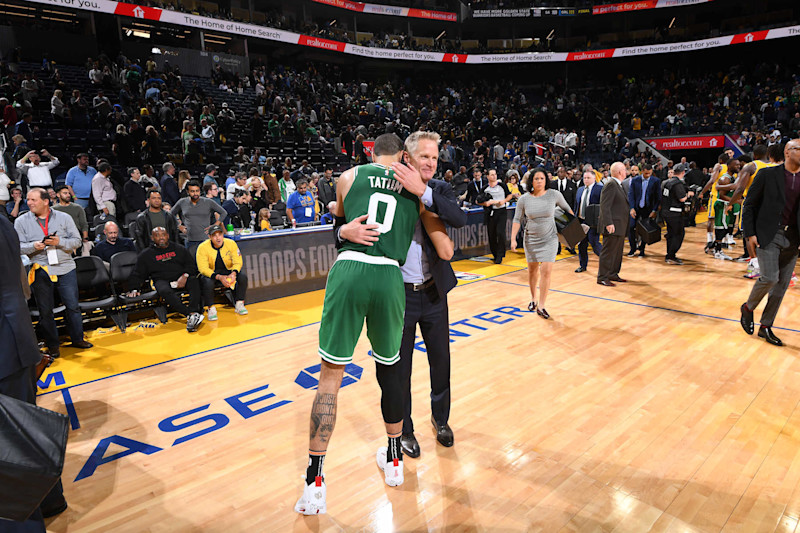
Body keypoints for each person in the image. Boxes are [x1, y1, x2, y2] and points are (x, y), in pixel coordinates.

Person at [295, 133, 451, 515]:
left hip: (351, 269)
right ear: (402, 156)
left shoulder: (347, 177)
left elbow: (341, 219)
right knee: (390, 370)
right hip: (390, 277)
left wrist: (341, 230)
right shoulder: (415, 190)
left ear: (371, 152)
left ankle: (314, 484)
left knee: (330, 377)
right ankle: (395, 460)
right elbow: (444, 235)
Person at [368, 131, 466, 459]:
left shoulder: (438, 190)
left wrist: (423, 192)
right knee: (401, 368)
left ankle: (441, 419)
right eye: (425, 156)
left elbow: (458, 218)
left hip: (434, 292)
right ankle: (405, 429)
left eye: (435, 157)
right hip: (399, 297)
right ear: (407, 158)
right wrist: (342, 230)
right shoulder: (384, 190)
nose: (431, 163)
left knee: (441, 362)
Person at [0, 215, 68, 531]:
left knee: (12, 440)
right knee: (24, 428)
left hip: (7, 346)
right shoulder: (4, 221)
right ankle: (50, 500)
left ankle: (27, 523)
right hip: (13, 340)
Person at [15, 188, 92, 357]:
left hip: (65, 267)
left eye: (33, 200)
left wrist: (60, 242)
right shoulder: (21, 221)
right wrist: (33, 246)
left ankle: (78, 338)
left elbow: (77, 241)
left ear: (45, 201)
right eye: (28, 199)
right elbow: (17, 246)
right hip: (40, 268)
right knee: (45, 311)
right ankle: (53, 346)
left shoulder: (64, 217)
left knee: (72, 306)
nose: (29, 203)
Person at [740, 139, 800, 347]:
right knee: (770, 277)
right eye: (799, 148)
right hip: (769, 233)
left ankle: (765, 326)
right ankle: (748, 308)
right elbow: (749, 205)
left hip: (794, 237)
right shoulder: (767, 174)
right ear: (788, 152)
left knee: (782, 285)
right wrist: (750, 234)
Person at [510, 169, 573, 319]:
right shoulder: (524, 199)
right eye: (536, 178)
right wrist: (513, 239)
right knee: (532, 271)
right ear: (531, 181)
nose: (539, 181)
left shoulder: (554, 195)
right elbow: (517, 219)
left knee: (546, 270)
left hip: (550, 238)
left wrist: (574, 229)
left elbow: (568, 210)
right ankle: (533, 298)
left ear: (546, 180)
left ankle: (542, 305)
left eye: (542, 178)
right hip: (531, 239)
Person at [125, 227, 204, 332]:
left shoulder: (179, 248)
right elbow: (137, 273)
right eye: (157, 235)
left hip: (181, 276)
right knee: (163, 290)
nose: (161, 237)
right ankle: (190, 314)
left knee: (194, 280)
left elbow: (191, 265)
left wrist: (185, 276)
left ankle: (194, 311)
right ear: (152, 238)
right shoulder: (146, 255)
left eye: (163, 234)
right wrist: (134, 288)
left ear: (168, 236)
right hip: (162, 280)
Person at [196, 223, 249, 320]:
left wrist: (233, 273)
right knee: (207, 282)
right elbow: (202, 268)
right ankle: (211, 308)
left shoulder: (231, 243)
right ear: (209, 237)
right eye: (214, 235)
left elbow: (238, 261)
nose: (218, 238)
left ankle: (239, 304)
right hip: (212, 273)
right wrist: (219, 277)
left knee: (243, 276)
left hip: (228, 271)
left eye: (220, 234)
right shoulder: (202, 247)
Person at [597, 162, 630, 286]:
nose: (626, 172)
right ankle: (602, 277)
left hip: (620, 225)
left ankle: (612, 274)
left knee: (617, 253)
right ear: (620, 172)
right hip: (613, 225)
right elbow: (605, 206)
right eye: (624, 170)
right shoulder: (611, 184)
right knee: (608, 252)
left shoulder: (618, 185)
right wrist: (609, 223)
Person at [171, 180, 227, 252]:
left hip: (206, 240)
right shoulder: (182, 202)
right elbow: (171, 214)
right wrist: (179, 226)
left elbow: (223, 213)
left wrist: (215, 225)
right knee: (191, 259)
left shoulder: (208, 202)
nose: (195, 193)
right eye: (192, 191)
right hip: (190, 240)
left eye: (197, 191)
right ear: (188, 192)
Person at [661, 163, 696, 265]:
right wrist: (688, 194)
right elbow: (682, 198)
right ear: (683, 172)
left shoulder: (665, 182)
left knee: (670, 234)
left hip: (665, 211)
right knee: (678, 234)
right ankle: (671, 255)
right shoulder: (677, 184)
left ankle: (669, 255)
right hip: (674, 212)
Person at [479, 169, 513, 264]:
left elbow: (509, 195)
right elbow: (478, 200)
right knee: (491, 234)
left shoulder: (502, 185)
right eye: (492, 175)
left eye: (495, 174)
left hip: (501, 211)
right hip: (490, 212)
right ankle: (495, 254)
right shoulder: (485, 188)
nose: (494, 176)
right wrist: (485, 203)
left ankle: (500, 254)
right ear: (488, 177)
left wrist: (504, 201)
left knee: (500, 232)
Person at [627, 163, 660, 257]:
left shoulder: (656, 181)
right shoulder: (635, 180)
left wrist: (654, 210)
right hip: (636, 208)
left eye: (649, 173)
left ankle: (642, 249)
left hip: (648, 209)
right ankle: (633, 248)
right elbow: (631, 195)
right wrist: (631, 208)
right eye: (646, 173)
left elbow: (658, 197)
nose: (648, 175)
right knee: (631, 227)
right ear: (642, 172)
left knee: (645, 229)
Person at [574, 170, 603, 273]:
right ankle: (582, 266)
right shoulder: (580, 189)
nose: (586, 180)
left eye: (588, 178)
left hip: (593, 222)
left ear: (594, 178)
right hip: (581, 221)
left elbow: (603, 205)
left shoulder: (600, 189)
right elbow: (576, 205)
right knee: (581, 245)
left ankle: (607, 263)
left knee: (594, 243)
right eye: (584, 178)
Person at [52, 184, 89, 254]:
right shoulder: (53, 210)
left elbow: (84, 224)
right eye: (65, 193)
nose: (68, 195)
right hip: (60, 238)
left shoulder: (78, 208)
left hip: (77, 237)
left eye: (69, 193)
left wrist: (85, 238)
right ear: (58, 195)